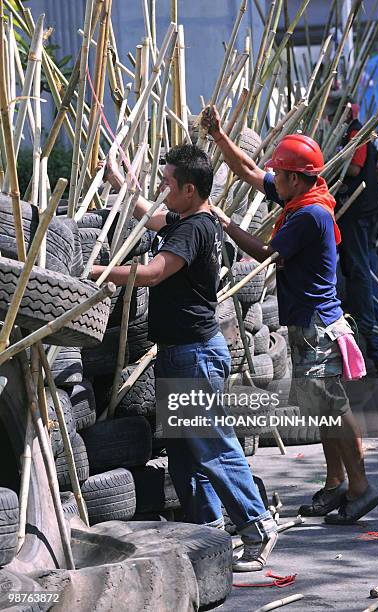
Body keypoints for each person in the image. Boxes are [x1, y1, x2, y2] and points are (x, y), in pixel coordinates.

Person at [93, 144, 278, 572]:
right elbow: (151, 216)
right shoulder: (194, 220)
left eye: (167, 184)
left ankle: (257, 526)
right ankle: (208, 533)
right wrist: (121, 184)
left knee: (212, 447)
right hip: (180, 354)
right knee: (184, 453)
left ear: (189, 189)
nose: (161, 190)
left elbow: (155, 272)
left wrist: (95, 273)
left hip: (194, 356)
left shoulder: (194, 229)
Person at [201, 107, 378, 524]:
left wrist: (223, 220)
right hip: (307, 325)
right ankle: (336, 483)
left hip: (316, 328)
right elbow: (248, 171)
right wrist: (220, 136)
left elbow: (266, 254)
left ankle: (360, 488)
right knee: (322, 411)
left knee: (334, 409)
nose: (273, 178)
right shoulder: (301, 194)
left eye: (279, 174)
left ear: (295, 178)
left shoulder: (308, 214)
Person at [326, 93, 378, 375]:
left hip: (359, 214)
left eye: (332, 114)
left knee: (361, 274)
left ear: (343, 113)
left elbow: (355, 167)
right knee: (360, 272)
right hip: (359, 213)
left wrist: (330, 166)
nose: (329, 120)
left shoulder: (357, 132)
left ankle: (373, 341)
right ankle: (375, 345)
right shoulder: (355, 132)